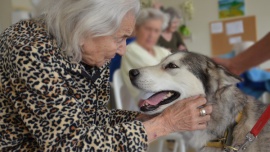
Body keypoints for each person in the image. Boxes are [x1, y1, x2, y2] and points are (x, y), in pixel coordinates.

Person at [0, 0, 212, 151]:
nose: (122, 50)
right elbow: (69, 145)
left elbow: (92, 119)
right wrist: (164, 124)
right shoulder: (30, 51)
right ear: (85, 28)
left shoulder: (88, 49)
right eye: (119, 39)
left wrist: (149, 118)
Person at [121, 8, 171, 106]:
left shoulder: (161, 51)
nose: (151, 35)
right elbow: (159, 78)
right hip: (144, 105)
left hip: (164, 99)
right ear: (138, 28)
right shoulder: (131, 50)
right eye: (148, 29)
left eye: (156, 31)